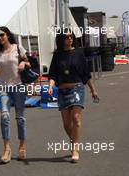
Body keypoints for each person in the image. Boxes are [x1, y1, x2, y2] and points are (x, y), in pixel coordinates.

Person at [48, 28, 99, 163]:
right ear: (62, 39)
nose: (69, 39)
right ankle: (73, 141)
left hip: (77, 88)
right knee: (66, 124)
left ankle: (75, 148)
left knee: (76, 118)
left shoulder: (78, 53)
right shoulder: (57, 55)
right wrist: (50, 86)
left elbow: (85, 74)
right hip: (62, 91)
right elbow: (52, 74)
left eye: (71, 37)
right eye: (66, 37)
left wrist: (93, 90)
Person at [0, 26, 30, 164]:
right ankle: (6, 149)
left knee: (20, 118)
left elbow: (29, 62)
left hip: (18, 86)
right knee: (4, 116)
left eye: (2, 35)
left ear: (7, 35)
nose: (0, 38)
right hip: (4, 88)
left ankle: (22, 146)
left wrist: (24, 63)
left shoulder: (17, 47)